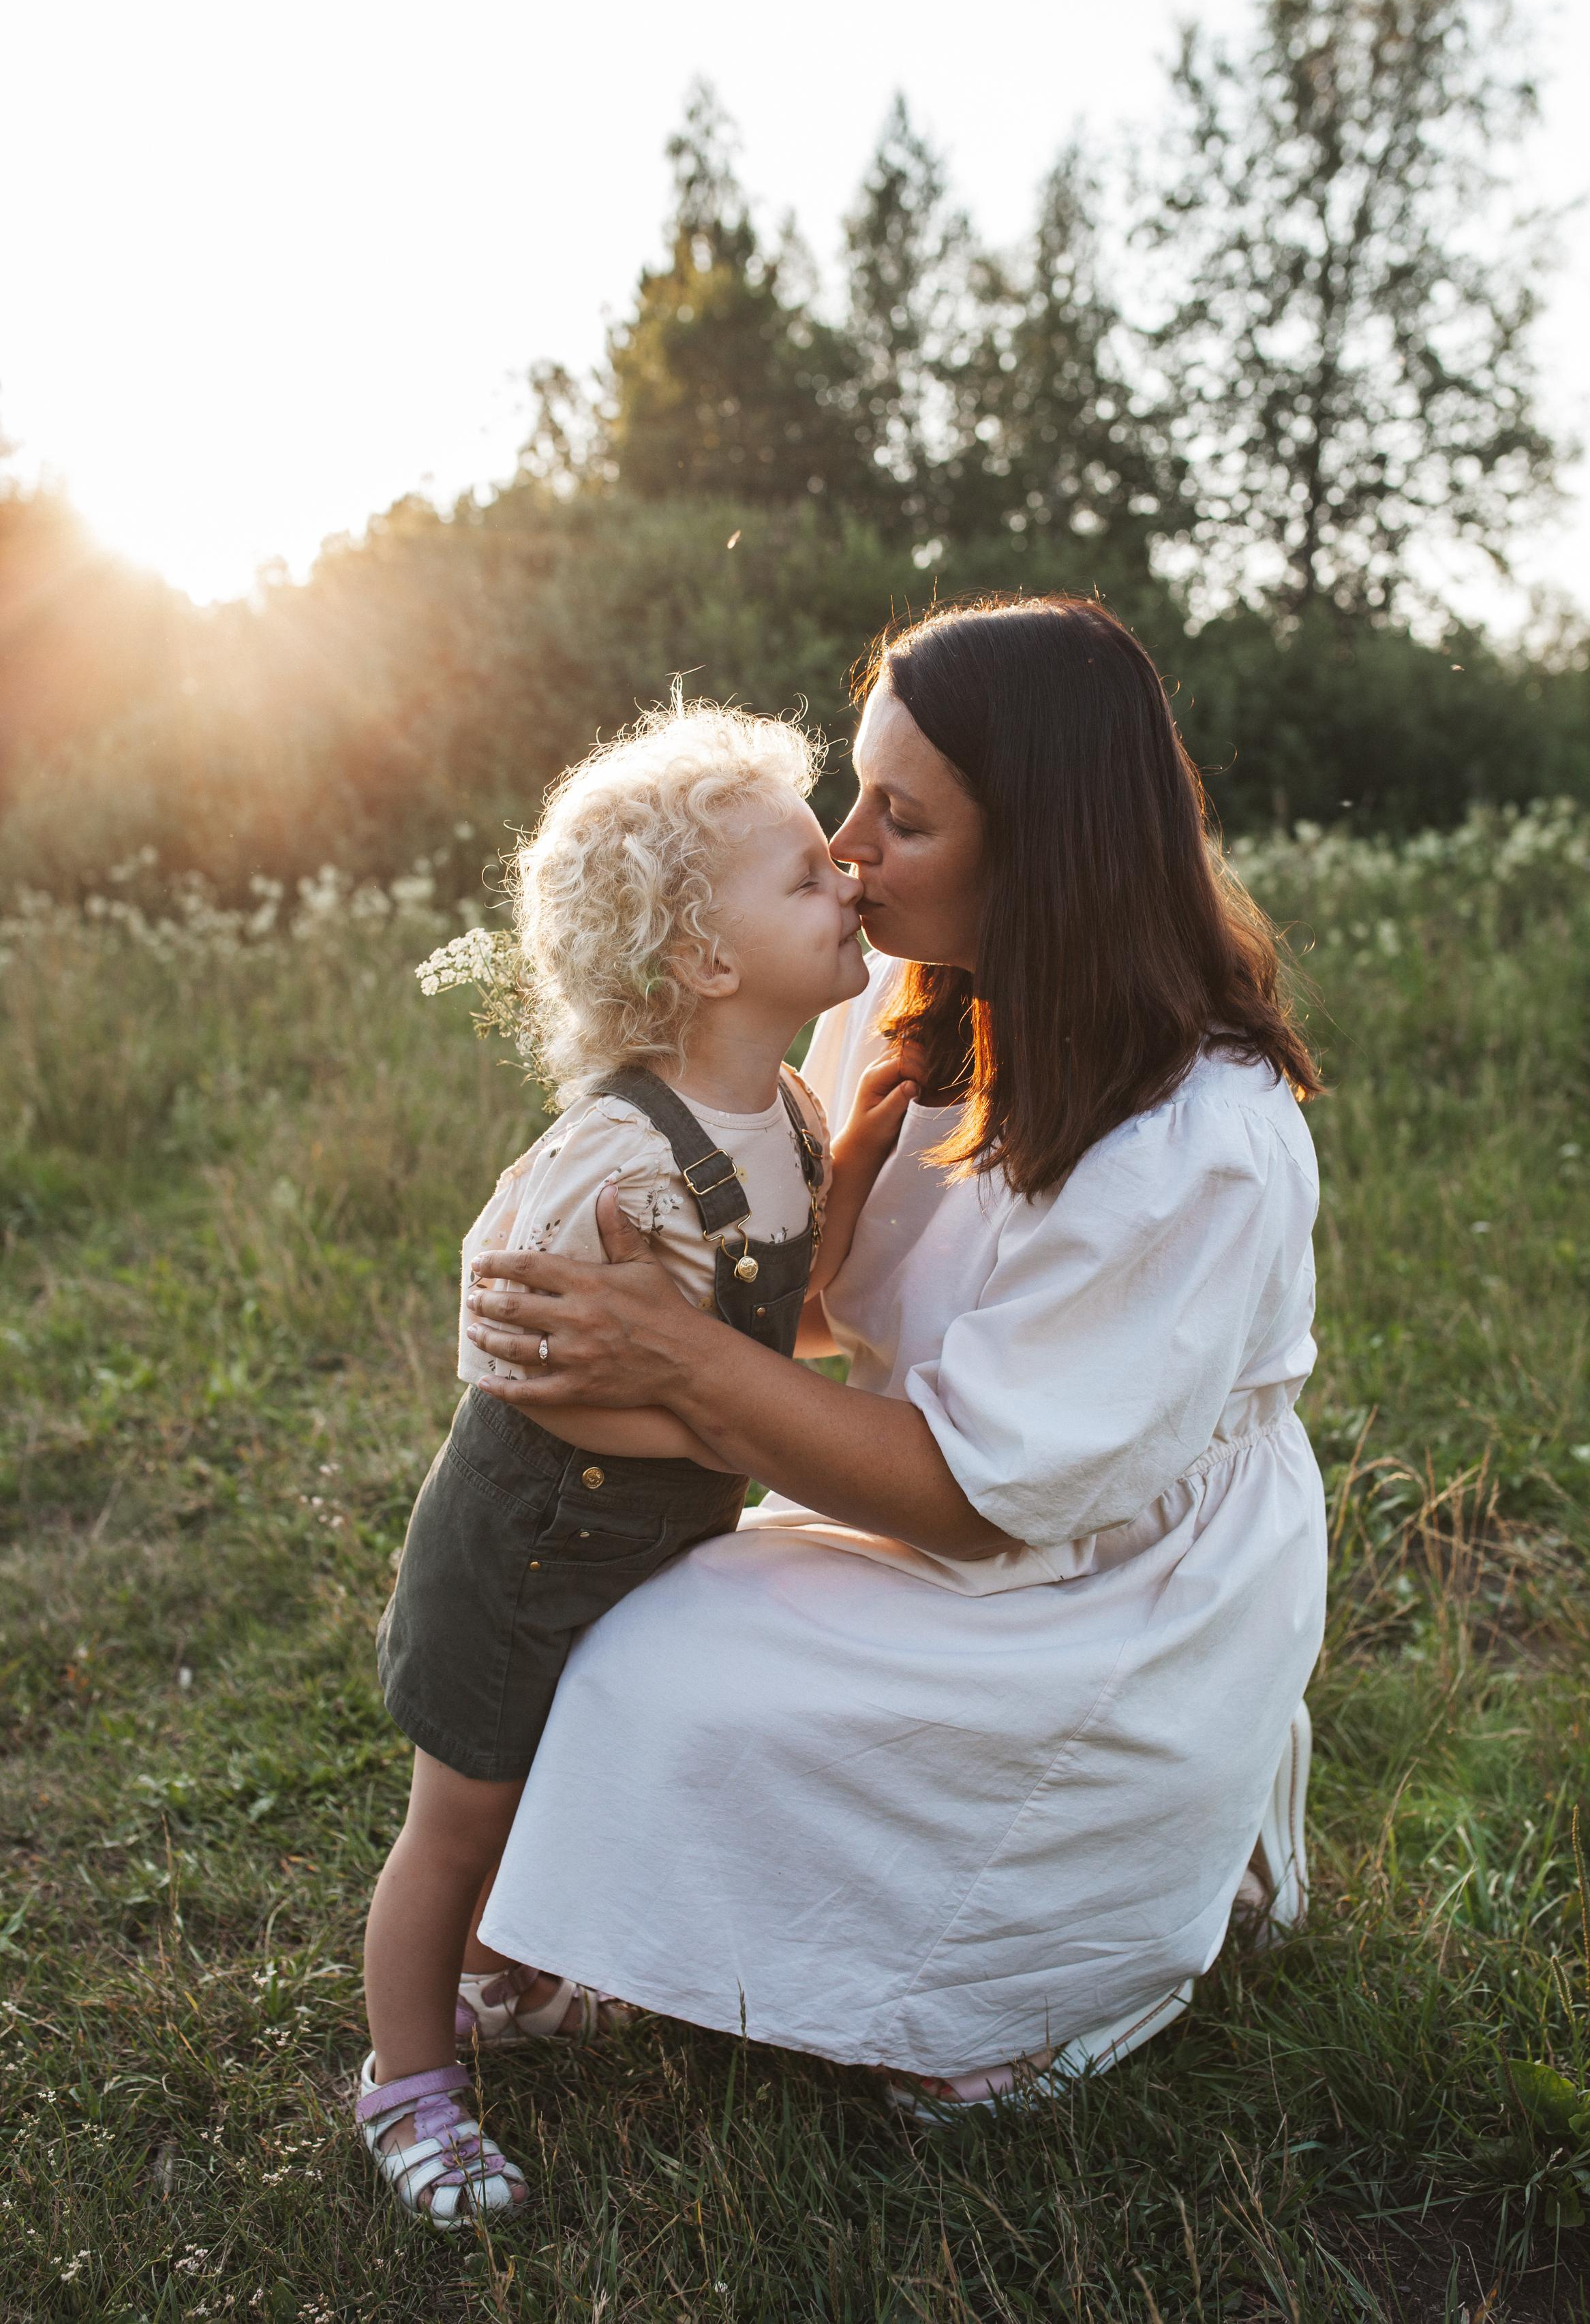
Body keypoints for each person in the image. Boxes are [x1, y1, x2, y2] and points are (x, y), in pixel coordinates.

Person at [463, 595, 1329, 2118]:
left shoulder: (1207, 1140)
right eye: (856, 789)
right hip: (914, 1497)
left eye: (902, 817)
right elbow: (807, 1318)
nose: (846, 843)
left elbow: (978, 1496)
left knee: (717, 1729)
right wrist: (634, 1303)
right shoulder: (885, 1002)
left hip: (1105, 1583)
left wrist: (671, 1360)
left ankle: (1105, 1930)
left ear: (1046, 849)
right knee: (624, 1668)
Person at [358, 703, 913, 2224]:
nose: (852, 883)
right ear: (707, 962)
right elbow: (525, 1364)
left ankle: (510, 1977)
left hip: (651, 1545)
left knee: (574, 1780)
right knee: (457, 1821)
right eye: (808, 876)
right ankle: (407, 2076)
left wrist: (859, 1150)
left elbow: (784, 1306)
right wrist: (722, 1423)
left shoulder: (787, 1113)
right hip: (527, 1544)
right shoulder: (613, 1156)